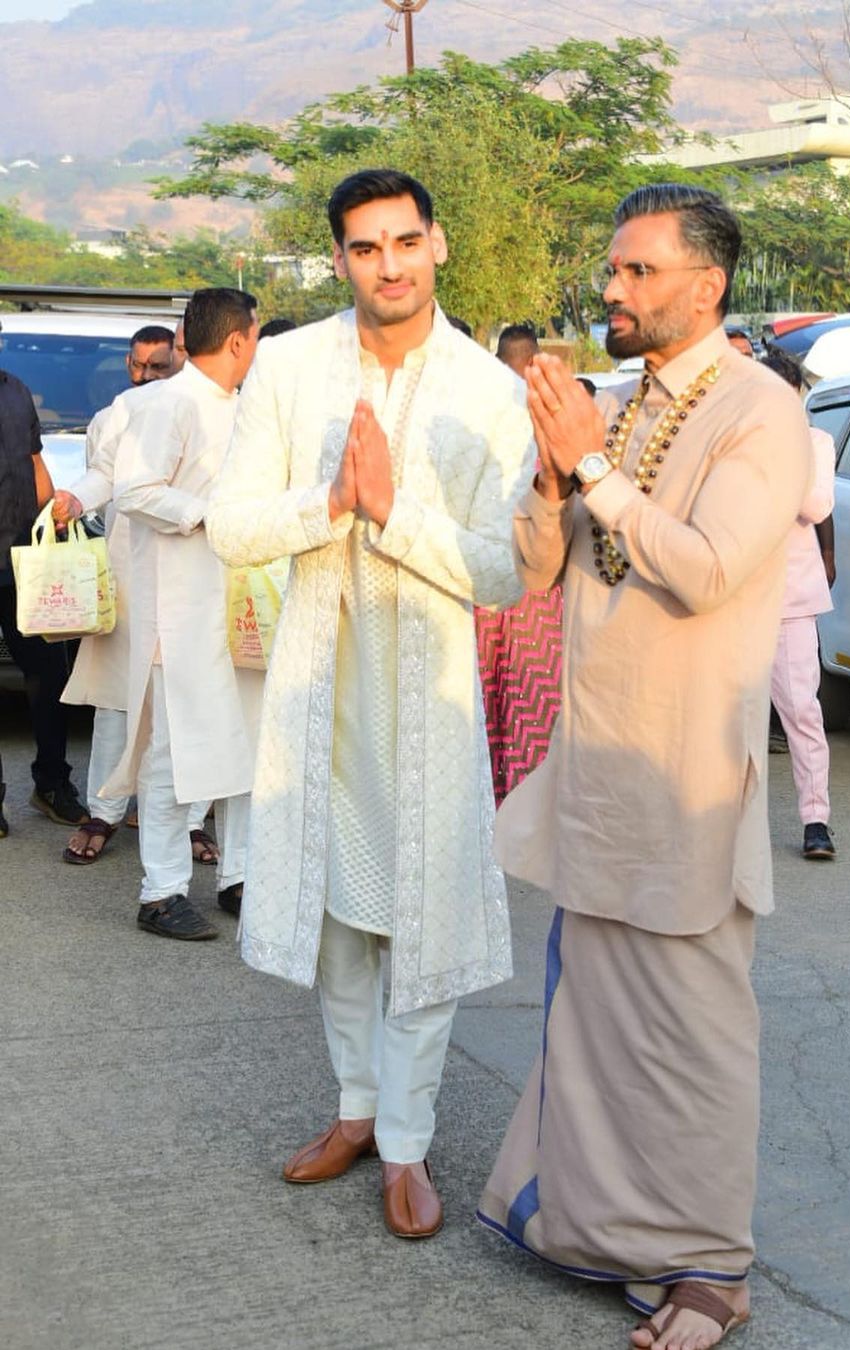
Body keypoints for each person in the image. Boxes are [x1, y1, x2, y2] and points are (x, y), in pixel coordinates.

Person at [477, 183, 812, 1349]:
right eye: (612, 270)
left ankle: (714, 1267)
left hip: (685, 775)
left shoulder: (761, 412)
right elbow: (535, 573)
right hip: (602, 766)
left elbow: (710, 567)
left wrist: (598, 473)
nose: (610, 290)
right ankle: (615, 1232)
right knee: (601, 1020)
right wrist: (549, 470)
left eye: (637, 272)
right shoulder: (621, 410)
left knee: (693, 1032)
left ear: (706, 286)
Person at [205, 169, 535, 1238]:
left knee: (423, 916)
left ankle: (406, 1141)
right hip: (321, 681)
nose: (388, 265)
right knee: (341, 919)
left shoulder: (490, 390)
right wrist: (330, 503)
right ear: (339, 259)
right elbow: (231, 527)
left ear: (439, 244)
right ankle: (354, 1110)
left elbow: (499, 571)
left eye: (405, 242)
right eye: (364, 247)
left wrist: (391, 518)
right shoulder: (292, 369)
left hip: (429, 697)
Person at [100, 288, 262, 939]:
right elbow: (134, 489)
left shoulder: (245, 409)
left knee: (248, 747)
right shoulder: (168, 403)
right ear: (236, 341)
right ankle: (160, 892)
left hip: (242, 606)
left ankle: (239, 877)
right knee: (175, 755)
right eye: (253, 339)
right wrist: (206, 515)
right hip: (181, 612)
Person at [54, 319, 218, 868]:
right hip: (130, 571)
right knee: (117, 700)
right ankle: (104, 809)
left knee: (190, 702)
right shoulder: (116, 415)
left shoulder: (218, 410)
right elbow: (105, 474)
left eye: (160, 365)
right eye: (138, 364)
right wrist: (76, 499)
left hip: (200, 573)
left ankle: (191, 821)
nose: (147, 376)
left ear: (184, 357)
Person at [0, 319, 88, 837]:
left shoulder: (14, 391)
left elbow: (34, 461)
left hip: (19, 563)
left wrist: (52, 513)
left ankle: (52, 784)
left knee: (47, 675)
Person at [476, 322, 563, 803]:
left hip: (484, 579)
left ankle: (487, 802)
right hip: (538, 587)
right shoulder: (551, 415)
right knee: (531, 699)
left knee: (486, 697)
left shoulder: (477, 410)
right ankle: (527, 803)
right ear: (534, 362)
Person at [760, 349, 837, 860]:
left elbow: (815, 506)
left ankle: (816, 820)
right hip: (727, 600)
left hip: (790, 599)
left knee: (802, 712)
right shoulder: (728, 438)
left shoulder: (815, 443)